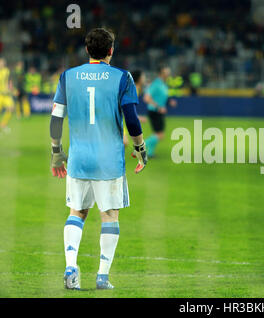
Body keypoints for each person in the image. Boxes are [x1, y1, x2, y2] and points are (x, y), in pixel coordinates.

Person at [49, 28, 148, 290]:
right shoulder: (122, 78)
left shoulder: (68, 77)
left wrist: (56, 153)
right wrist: (140, 148)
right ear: (111, 51)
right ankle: (102, 277)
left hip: (79, 159)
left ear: (87, 50)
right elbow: (131, 117)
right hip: (109, 160)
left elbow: (56, 118)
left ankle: (71, 268)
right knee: (109, 215)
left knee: (77, 213)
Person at [143, 65, 177, 157]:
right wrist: (158, 107)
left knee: (156, 134)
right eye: (167, 73)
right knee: (160, 135)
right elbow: (146, 98)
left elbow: (161, 97)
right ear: (161, 73)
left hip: (158, 111)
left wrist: (169, 101)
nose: (168, 74)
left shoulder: (163, 84)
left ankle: (150, 153)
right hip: (155, 111)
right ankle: (140, 147)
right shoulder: (156, 84)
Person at [0, 58, 14, 133]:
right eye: (0, 63)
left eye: (2, 63)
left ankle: (3, 124)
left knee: (11, 108)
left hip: (6, 95)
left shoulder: (6, 71)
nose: (1, 64)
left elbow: (9, 80)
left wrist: (11, 87)